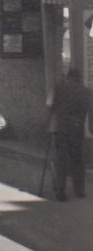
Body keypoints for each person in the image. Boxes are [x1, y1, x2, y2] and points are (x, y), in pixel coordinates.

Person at [46, 67, 89, 201]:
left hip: (59, 127)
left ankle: (60, 190)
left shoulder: (58, 88)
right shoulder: (86, 92)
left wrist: (48, 124)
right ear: (79, 78)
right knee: (77, 159)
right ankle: (79, 190)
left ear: (68, 77)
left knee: (60, 159)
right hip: (76, 129)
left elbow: (49, 105)